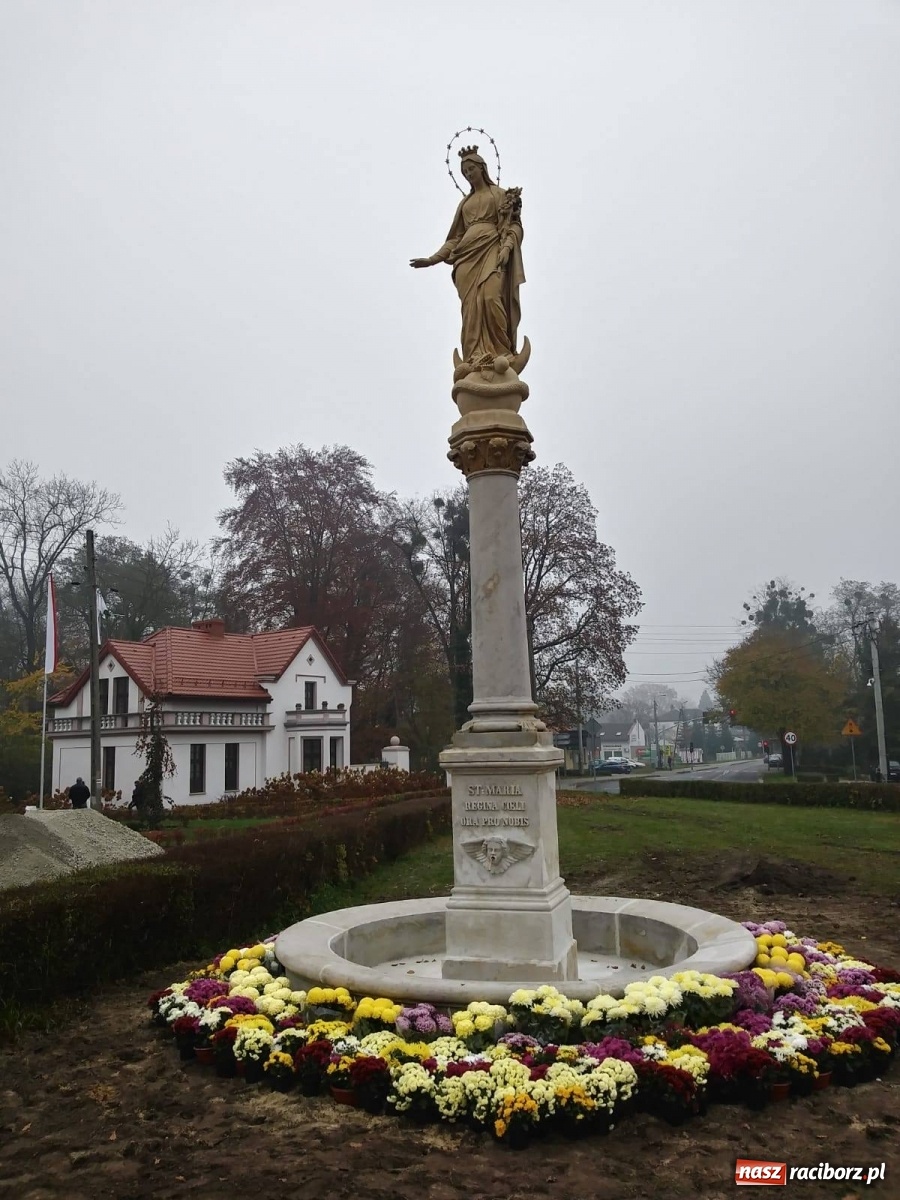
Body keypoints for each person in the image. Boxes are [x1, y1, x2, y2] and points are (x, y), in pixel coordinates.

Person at [410, 145, 525, 366]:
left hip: (492, 248)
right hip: (465, 259)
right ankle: (475, 356)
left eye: (471, 169)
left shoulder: (500, 195)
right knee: (471, 309)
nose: (468, 174)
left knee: (491, 297)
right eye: (465, 172)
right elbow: (454, 239)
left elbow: (514, 227)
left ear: (482, 168)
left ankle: (502, 350)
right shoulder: (465, 204)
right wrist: (433, 258)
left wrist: (507, 247)